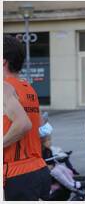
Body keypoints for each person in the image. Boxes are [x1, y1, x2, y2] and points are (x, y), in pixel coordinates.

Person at [3, 35, 51, 200]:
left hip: (16, 174)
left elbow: (24, 124)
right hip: (37, 170)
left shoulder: (4, 88)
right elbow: (44, 132)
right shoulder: (28, 89)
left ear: (3, 61)